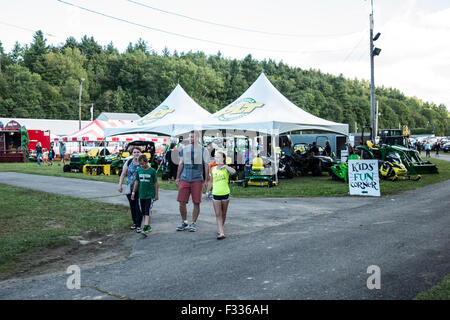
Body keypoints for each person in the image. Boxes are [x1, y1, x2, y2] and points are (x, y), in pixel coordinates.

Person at [175, 130, 209, 232]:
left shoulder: (204, 150)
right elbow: (181, 163)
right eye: (190, 137)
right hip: (185, 178)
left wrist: (206, 180)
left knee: (196, 202)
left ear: (198, 138)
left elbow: (206, 166)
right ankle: (184, 222)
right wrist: (177, 177)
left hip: (197, 179)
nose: (191, 139)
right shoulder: (184, 149)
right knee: (181, 202)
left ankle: (193, 223)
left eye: (193, 137)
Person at [205, 151, 236, 240]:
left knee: (224, 213)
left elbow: (234, 172)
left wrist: (225, 166)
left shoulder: (226, 168)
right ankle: (221, 232)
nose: (217, 159)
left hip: (225, 193)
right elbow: (211, 181)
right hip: (215, 194)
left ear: (223, 158)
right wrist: (207, 192)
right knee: (218, 214)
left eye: (219, 157)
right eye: (215, 157)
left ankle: (220, 227)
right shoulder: (213, 169)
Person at [131, 154, 159, 236]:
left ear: (147, 161)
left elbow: (156, 183)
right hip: (141, 195)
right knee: (142, 210)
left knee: (147, 210)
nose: (142, 166)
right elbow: (137, 182)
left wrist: (156, 194)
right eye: (140, 164)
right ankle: (148, 226)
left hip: (150, 195)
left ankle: (146, 226)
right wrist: (133, 192)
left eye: (143, 163)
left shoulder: (152, 171)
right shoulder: (139, 171)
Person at [118, 147, 143, 232]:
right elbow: (123, 174)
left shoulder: (143, 162)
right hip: (129, 187)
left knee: (138, 205)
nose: (136, 153)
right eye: (134, 152)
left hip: (140, 187)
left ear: (141, 153)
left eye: (138, 152)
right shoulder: (128, 162)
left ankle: (139, 224)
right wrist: (120, 185)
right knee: (132, 206)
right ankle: (134, 222)